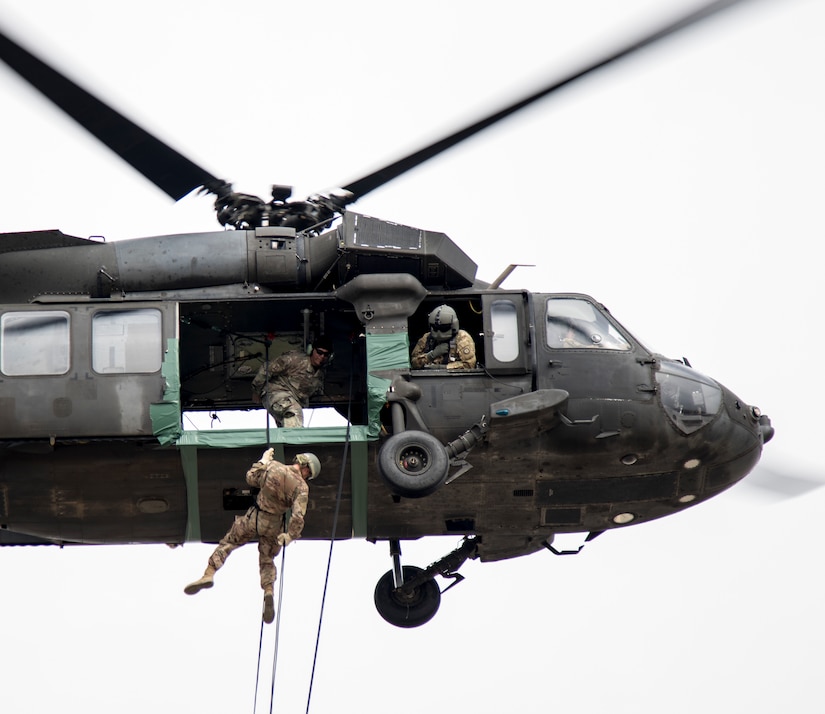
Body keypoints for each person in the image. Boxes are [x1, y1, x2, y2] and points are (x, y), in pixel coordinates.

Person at [183, 449, 321, 624]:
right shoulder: (302, 488)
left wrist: (262, 461)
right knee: (267, 559)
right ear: (308, 472)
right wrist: (290, 536)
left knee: (228, 543)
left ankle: (208, 574)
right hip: (273, 525)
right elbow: (298, 516)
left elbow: (251, 478)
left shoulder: (274, 467)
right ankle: (268, 591)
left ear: (300, 461)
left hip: (254, 517)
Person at [251, 336, 333, 427]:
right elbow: (266, 369)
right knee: (293, 413)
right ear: (311, 350)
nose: (322, 357)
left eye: (326, 355)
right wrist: (256, 391)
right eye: (319, 352)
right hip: (276, 394)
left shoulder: (320, 373)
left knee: (287, 426)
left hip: (291, 401)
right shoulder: (295, 360)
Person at [410, 304, 476, 369]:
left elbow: (469, 364)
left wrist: (443, 368)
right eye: (435, 328)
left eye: (444, 328)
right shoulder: (427, 338)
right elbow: (413, 363)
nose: (439, 333)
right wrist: (431, 355)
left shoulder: (462, 338)